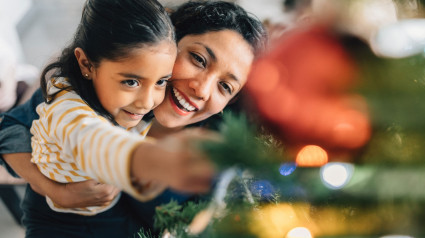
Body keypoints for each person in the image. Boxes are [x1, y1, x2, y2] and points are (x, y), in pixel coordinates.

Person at [0, 0, 267, 236]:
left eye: (225, 87)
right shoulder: (95, 84)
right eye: (198, 59)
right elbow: (16, 128)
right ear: (170, 40)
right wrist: (53, 190)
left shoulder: (223, 153)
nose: (202, 88)